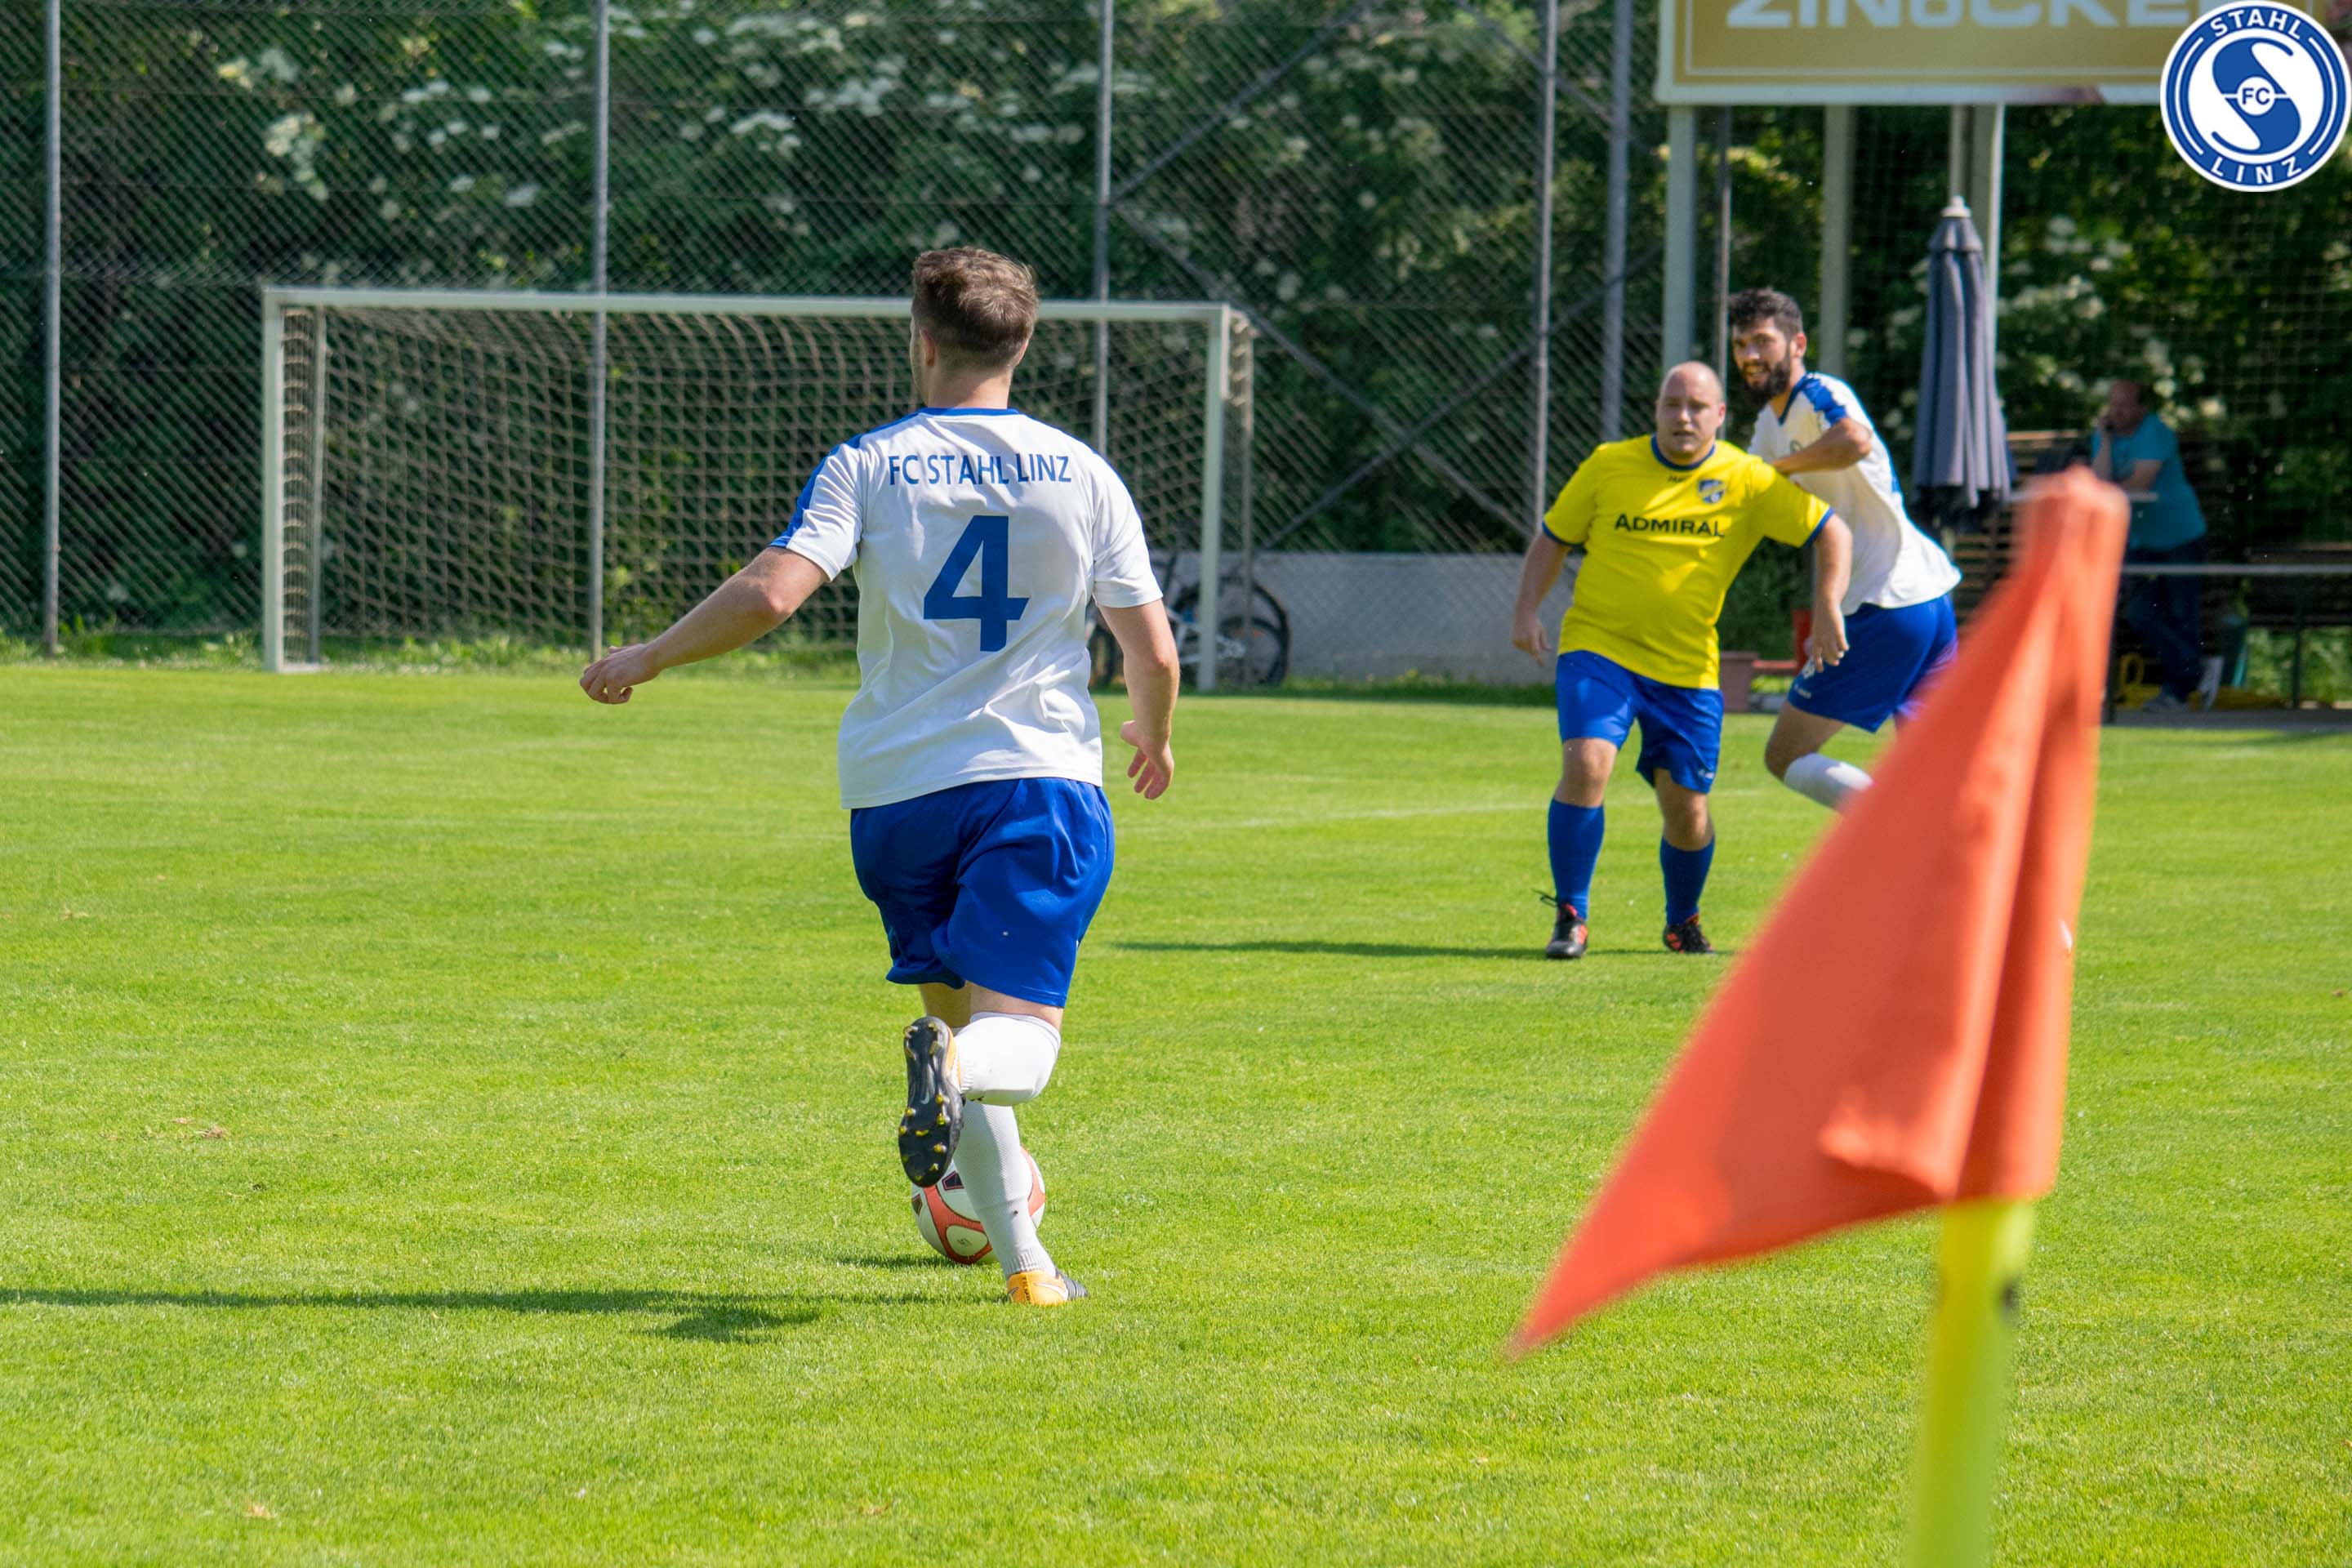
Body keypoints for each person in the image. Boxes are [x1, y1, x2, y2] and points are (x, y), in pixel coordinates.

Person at [579, 247, 1180, 1307]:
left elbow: (772, 593)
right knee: (1013, 1046)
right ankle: (956, 1082)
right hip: (1034, 783)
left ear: (924, 342)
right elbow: (1153, 652)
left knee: (963, 1030)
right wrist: (1154, 731)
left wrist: (650, 655)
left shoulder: (869, 463)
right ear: (1022, 346)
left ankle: (1029, 1269)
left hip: (897, 801)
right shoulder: (1083, 473)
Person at [1511, 362, 1852, 961]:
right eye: (1672, 405)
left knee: (1687, 809)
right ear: (1656, 411)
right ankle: (1571, 916)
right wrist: (1525, 612)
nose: (1683, 417)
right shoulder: (1609, 464)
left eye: (1697, 407)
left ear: (1720, 416)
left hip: (1687, 668)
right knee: (1587, 762)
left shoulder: (1746, 478)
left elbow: (1831, 531)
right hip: (1600, 649)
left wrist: (1826, 605)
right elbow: (1554, 536)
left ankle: (1683, 921)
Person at [1728, 287, 1965, 812]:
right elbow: (1748, 500)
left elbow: (1855, 441)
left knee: (1786, 755)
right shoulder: (1768, 424)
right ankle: (1945, 854)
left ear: (1798, 345)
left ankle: (1890, 832)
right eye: (1741, 344)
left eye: (1763, 341)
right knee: (1932, 769)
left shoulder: (1817, 392)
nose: (1750, 355)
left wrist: (1776, 470)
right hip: (1925, 598)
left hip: (1885, 603)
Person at [2092, 377, 2208, 714]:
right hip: (2141, 540)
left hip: (2180, 537)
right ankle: (2195, 671)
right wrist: (2105, 441)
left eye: (2124, 404)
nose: (2116, 411)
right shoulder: (2104, 436)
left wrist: (2107, 490)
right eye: (2113, 403)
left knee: (2181, 613)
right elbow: (2100, 482)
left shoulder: (2155, 432)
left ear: (2142, 408)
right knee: (2138, 612)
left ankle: (2178, 690)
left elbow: (2140, 484)